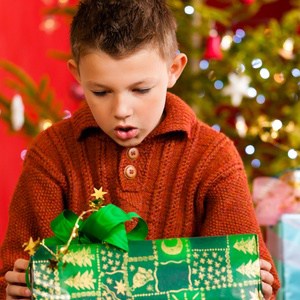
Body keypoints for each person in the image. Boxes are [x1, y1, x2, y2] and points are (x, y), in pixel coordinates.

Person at [1, 0, 279, 299]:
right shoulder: (52, 152)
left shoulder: (214, 157)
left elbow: (249, 274)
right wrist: (14, 287)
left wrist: (256, 285)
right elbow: (16, 269)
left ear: (174, 69)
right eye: (101, 91)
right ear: (77, 74)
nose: (122, 110)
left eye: (141, 90)